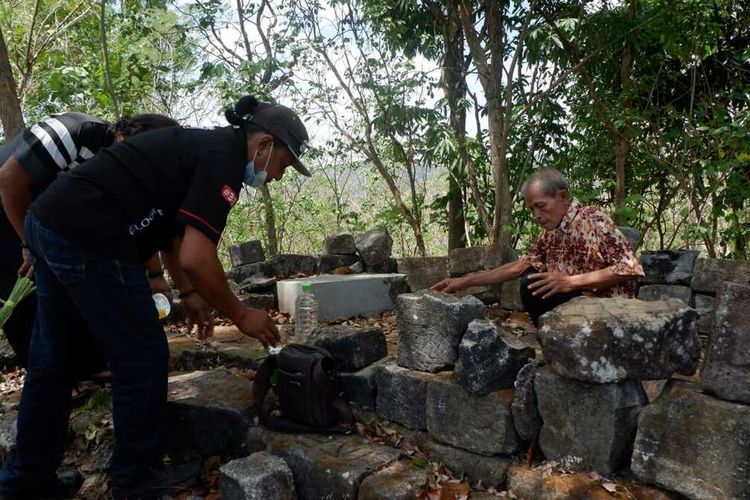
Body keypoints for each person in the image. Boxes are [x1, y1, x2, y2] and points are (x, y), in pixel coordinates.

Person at [0, 95, 311, 499]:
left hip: (51, 224)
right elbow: (199, 257)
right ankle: (134, 480)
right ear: (264, 143)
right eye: (284, 164)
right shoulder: (223, 162)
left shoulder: (205, 147)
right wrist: (241, 314)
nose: (278, 177)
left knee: (52, 361)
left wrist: (189, 292)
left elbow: (177, 236)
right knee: (142, 356)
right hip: (88, 238)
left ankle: (25, 481)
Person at [0, 112, 179, 369]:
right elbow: (8, 181)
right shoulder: (74, 131)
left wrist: (155, 276)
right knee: (27, 287)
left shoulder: (128, 172)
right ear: (122, 139)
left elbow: (135, 222)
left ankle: (89, 368)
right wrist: (29, 245)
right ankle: (51, 376)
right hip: (8, 211)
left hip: (50, 222)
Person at [432, 168, 644, 325]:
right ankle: (552, 342)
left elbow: (629, 267)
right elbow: (518, 267)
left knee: (534, 284)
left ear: (562, 197)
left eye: (541, 207)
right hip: (577, 305)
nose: (536, 216)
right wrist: (465, 282)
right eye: (532, 209)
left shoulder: (593, 220)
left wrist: (570, 282)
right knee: (531, 281)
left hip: (608, 311)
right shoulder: (551, 234)